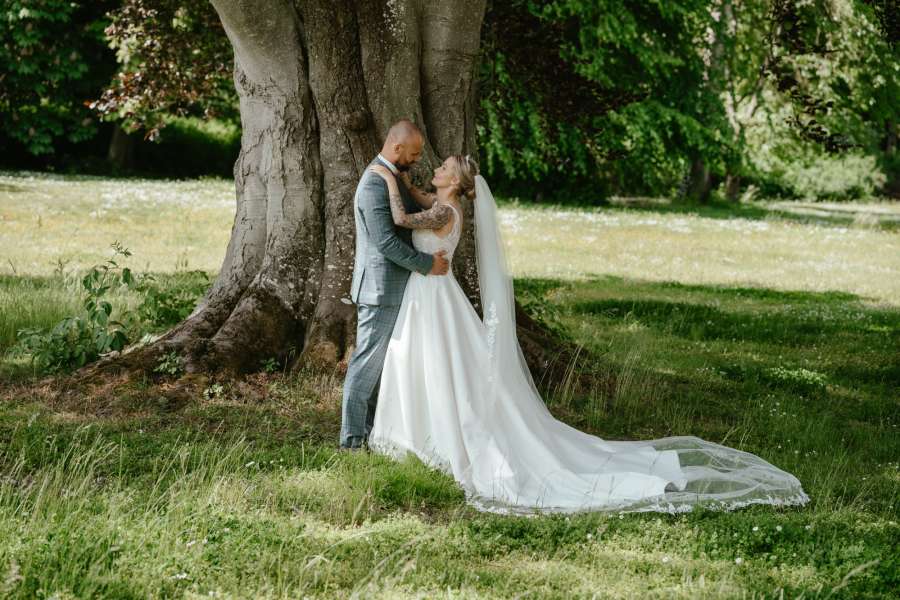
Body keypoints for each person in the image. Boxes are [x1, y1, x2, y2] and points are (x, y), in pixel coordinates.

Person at [364, 150, 811, 515]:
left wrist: (384, 179)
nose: (437, 168)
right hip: (432, 296)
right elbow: (421, 196)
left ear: (455, 182)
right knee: (434, 362)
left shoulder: (443, 211)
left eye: (443, 167)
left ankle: (429, 437)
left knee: (438, 363)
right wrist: (399, 176)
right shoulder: (444, 203)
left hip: (434, 296)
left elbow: (402, 219)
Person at [339, 120, 449, 450]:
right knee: (366, 366)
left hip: (396, 288)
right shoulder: (374, 183)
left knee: (383, 367)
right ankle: (352, 441)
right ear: (396, 147)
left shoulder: (396, 177)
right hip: (380, 289)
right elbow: (386, 242)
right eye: (413, 153)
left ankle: (373, 431)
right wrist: (428, 264)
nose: (417, 159)